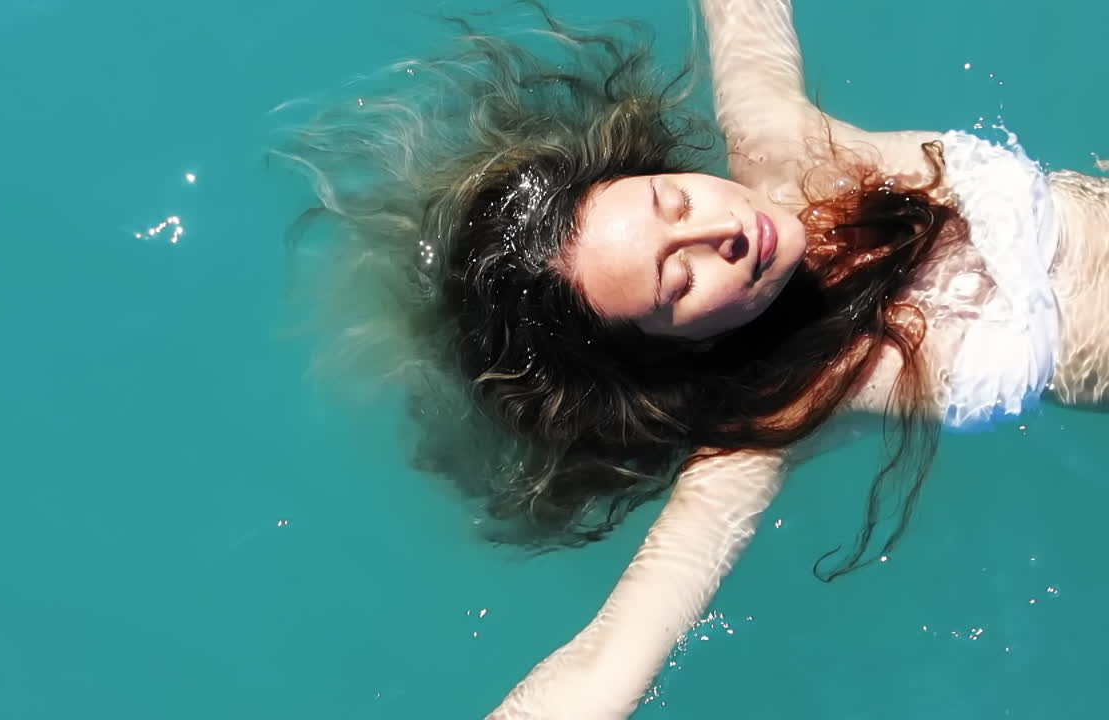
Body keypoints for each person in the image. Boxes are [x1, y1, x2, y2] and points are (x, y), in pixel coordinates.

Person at [277, 0, 1109, 717]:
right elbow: (604, 664)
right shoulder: (768, 424)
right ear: (679, 347)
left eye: (671, 200)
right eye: (677, 283)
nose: (720, 233)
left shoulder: (782, 143)